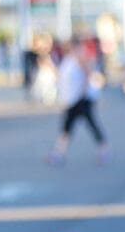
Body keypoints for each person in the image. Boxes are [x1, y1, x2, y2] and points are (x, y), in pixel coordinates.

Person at [46, 37, 110, 166]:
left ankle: (59, 153)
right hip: (71, 100)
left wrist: (82, 91)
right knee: (69, 127)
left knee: (84, 125)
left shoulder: (80, 58)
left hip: (81, 99)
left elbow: (88, 73)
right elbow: (61, 76)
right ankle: (59, 153)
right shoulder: (68, 59)